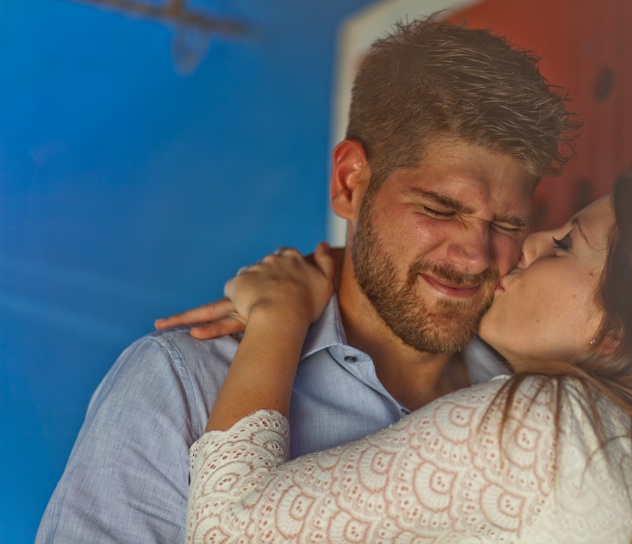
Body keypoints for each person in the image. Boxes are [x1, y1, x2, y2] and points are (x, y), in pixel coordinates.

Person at [36, 17, 576, 543]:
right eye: (439, 208)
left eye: (507, 224)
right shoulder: (182, 386)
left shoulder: (536, 400)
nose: (477, 257)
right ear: (349, 183)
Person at [184, 175, 632, 543]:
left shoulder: (554, 430)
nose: (523, 244)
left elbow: (226, 530)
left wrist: (280, 312)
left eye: (564, 244)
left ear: (621, 335)